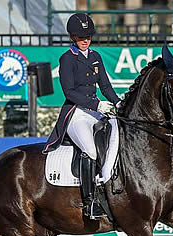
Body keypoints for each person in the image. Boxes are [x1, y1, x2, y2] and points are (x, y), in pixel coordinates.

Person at [43, 13, 121, 219]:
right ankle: (89, 203)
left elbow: (105, 85)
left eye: (88, 36)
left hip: (96, 112)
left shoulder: (96, 57)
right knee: (91, 150)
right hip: (76, 114)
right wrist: (97, 104)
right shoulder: (67, 59)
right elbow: (69, 92)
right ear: (72, 37)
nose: (85, 40)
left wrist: (118, 102)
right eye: (80, 36)